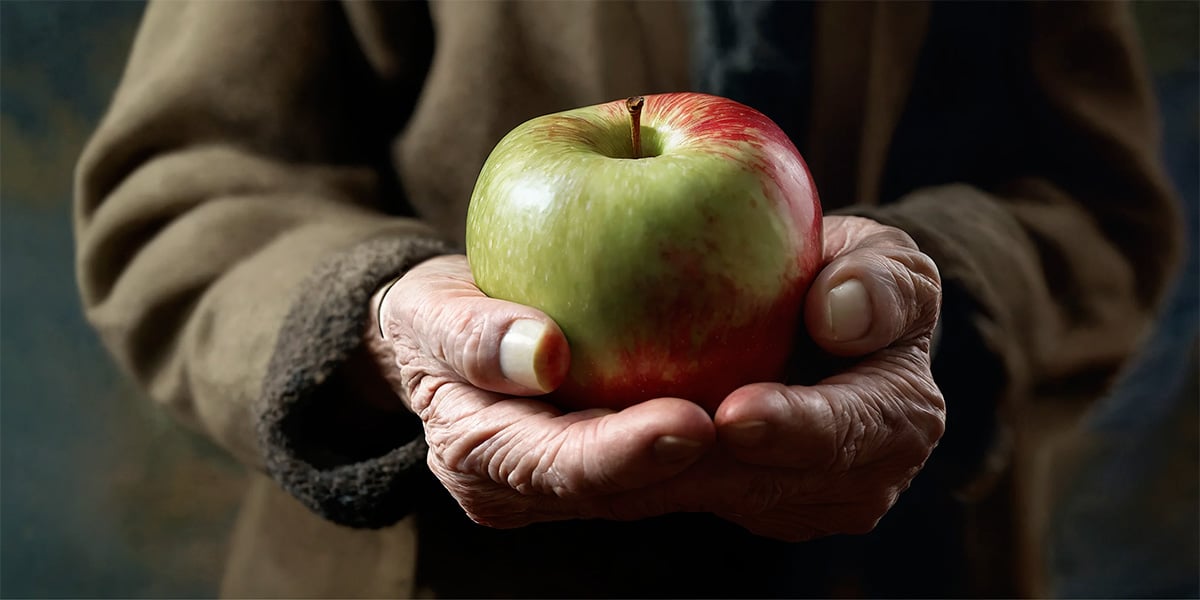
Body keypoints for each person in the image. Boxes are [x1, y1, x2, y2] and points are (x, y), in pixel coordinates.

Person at [74, 1, 1181, 597]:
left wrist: (934, 288)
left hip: (903, 562)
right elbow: (186, 186)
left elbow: (1093, 202)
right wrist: (379, 321)